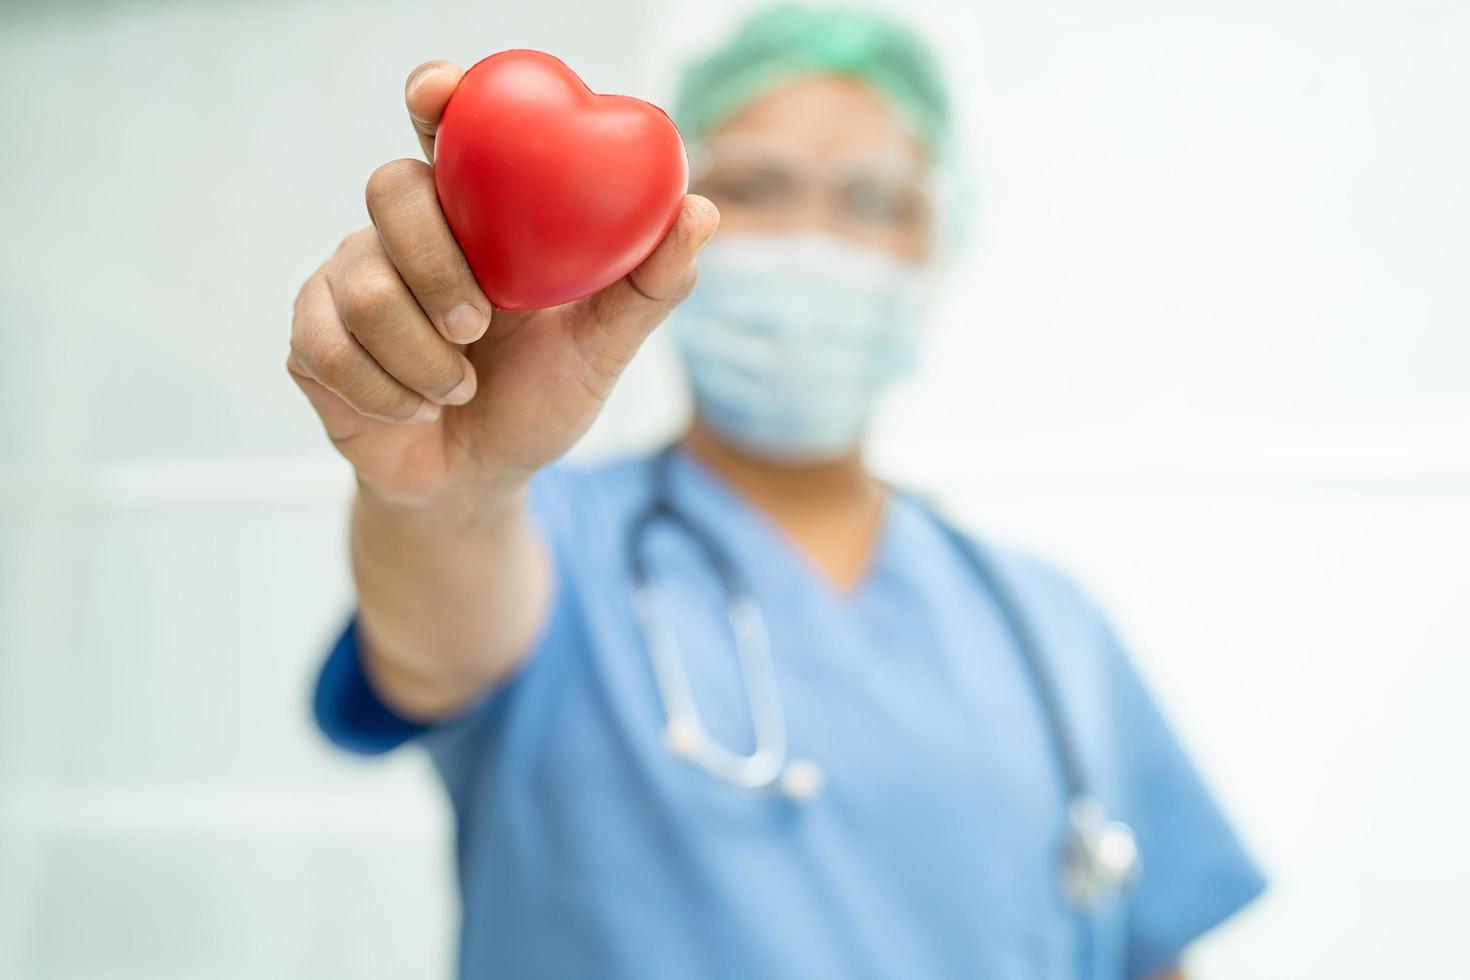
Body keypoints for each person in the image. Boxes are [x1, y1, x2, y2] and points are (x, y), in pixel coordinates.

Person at [287, 6, 1265, 978]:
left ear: (939, 242)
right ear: (658, 222)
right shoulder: (548, 532)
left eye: (877, 201)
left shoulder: (1048, 621)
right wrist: (457, 483)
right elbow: (441, 619)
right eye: (756, 186)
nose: (814, 239)